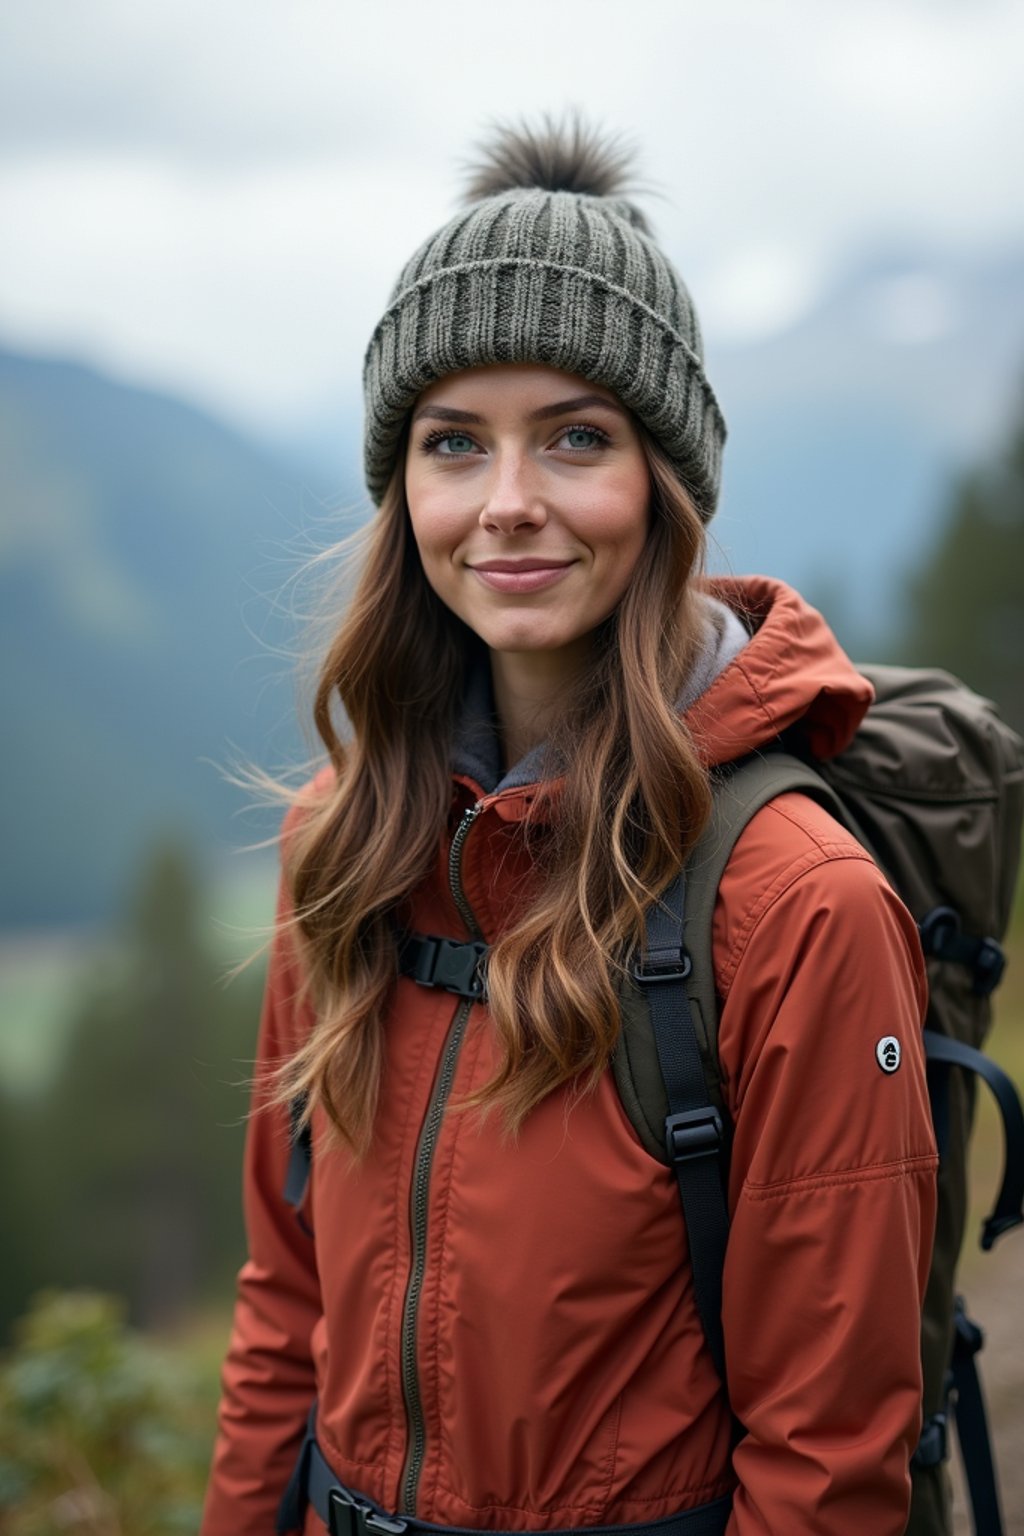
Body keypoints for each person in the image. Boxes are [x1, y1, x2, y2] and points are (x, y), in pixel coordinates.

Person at [200, 119, 938, 1536]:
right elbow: (285, 1301)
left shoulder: (792, 901)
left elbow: (828, 1459)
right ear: (400, 483)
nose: (510, 505)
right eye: (454, 444)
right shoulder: (343, 847)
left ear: (667, 484)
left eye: (578, 438)